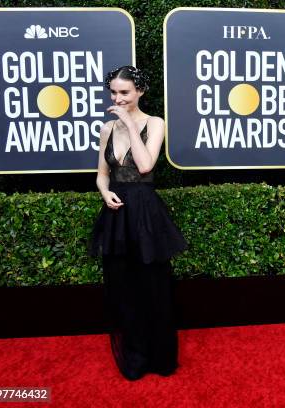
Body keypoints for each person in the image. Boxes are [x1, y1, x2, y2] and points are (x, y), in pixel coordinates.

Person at [89, 65, 187, 381]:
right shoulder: (105, 129)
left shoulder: (155, 123)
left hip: (145, 213)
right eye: (114, 92)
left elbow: (145, 165)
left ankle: (159, 357)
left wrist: (129, 123)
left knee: (152, 287)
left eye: (125, 92)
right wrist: (105, 194)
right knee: (123, 288)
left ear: (140, 92)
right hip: (117, 216)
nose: (117, 98)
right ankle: (134, 355)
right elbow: (102, 175)